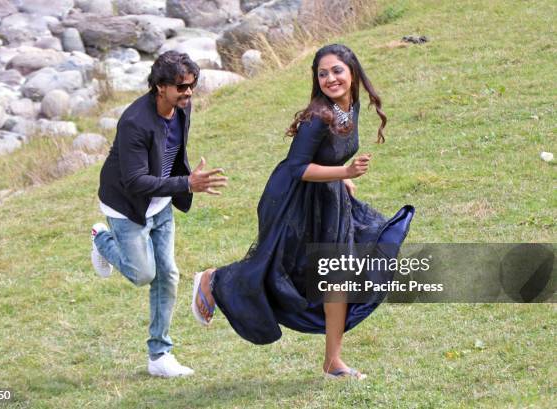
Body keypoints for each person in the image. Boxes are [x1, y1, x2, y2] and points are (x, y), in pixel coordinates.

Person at [191, 44, 414, 379]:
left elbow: (330, 154)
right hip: (294, 202)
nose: (330, 78)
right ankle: (215, 279)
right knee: (281, 270)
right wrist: (345, 174)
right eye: (322, 73)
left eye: (336, 70)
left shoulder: (347, 108)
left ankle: (332, 362)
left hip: (327, 198)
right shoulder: (317, 118)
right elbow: (297, 167)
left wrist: (341, 180)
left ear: (352, 71)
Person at [91, 51, 227, 378]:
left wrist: (181, 181)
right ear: (160, 86)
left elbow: (171, 150)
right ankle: (102, 240)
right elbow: (135, 181)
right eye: (181, 86)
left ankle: (159, 354)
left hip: (161, 203)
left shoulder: (181, 107)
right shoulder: (134, 122)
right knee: (142, 275)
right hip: (128, 207)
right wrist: (187, 183)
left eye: (192, 85)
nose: (189, 92)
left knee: (168, 275)